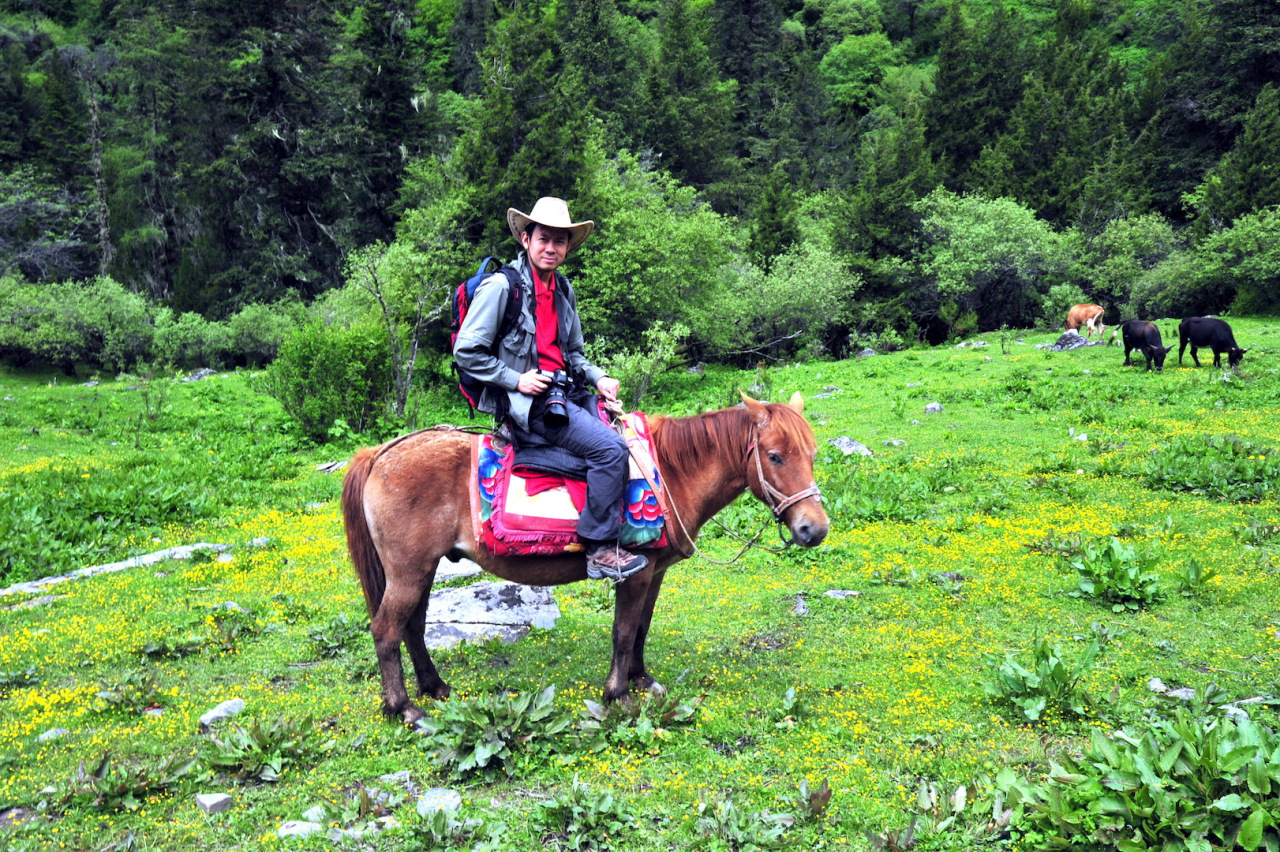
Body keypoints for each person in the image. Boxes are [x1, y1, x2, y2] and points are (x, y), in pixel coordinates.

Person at [453, 197, 648, 581]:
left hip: (564, 393)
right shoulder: (500, 288)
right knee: (611, 450)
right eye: (544, 239)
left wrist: (599, 378)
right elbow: (466, 351)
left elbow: (573, 354)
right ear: (526, 239)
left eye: (560, 241)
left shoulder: (562, 290)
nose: (551, 248)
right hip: (528, 402)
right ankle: (601, 549)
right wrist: (516, 379)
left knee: (625, 436)